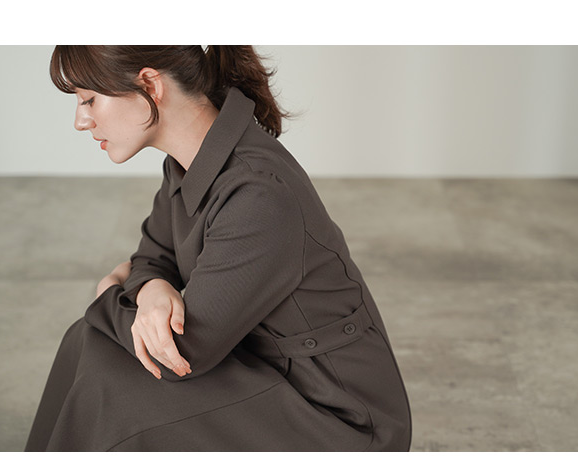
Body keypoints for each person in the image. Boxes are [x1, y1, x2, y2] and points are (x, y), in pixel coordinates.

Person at [24, 45, 412, 451]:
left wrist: (108, 294)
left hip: (337, 418)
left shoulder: (258, 194)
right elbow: (152, 257)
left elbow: (181, 352)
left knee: (111, 381)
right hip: (270, 373)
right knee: (87, 341)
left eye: (89, 100)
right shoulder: (190, 159)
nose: (80, 121)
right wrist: (151, 289)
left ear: (150, 85)